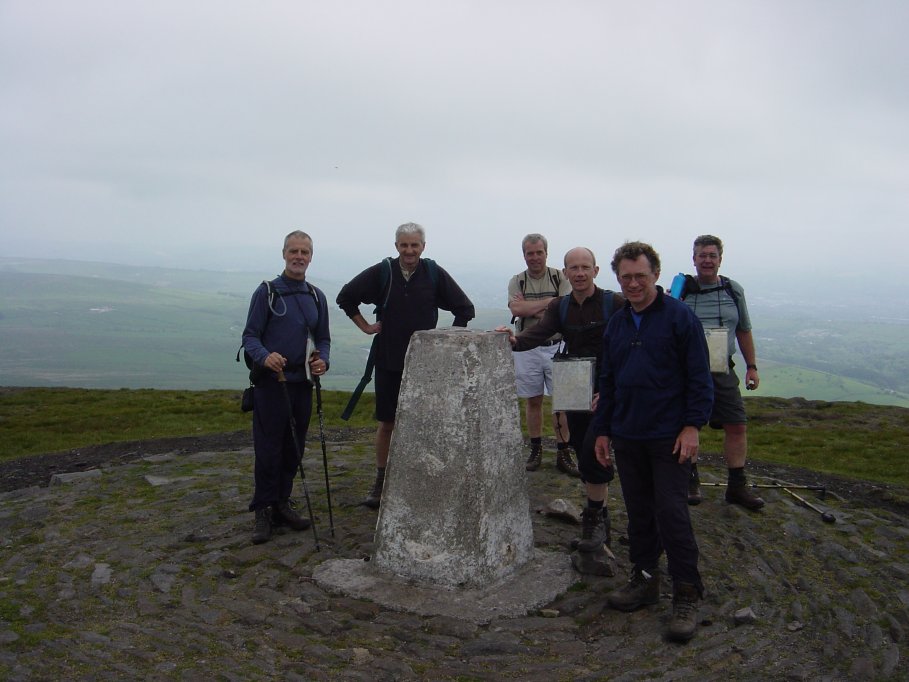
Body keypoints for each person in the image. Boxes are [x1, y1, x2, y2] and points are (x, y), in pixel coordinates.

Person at [594, 241, 713, 643]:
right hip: (628, 434)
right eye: (625, 277)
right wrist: (603, 430)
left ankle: (686, 592)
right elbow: (607, 382)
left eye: (639, 276)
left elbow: (700, 377)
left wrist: (693, 426)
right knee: (639, 512)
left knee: (671, 513)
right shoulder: (618, 323)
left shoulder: (680, 318)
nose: (632, 284)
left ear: (655, 275)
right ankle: (644, 581)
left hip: (669, 437)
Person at [337, 222, 475, 509]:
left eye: (414, 245)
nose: (409, 250)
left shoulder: (434, 273)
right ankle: (382, 481)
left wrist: (447, 340)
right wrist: (364, 326)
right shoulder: (384, 272)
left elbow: (465, 308)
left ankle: (421, 479)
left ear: (423, 247)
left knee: (425, 424)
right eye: (404, 245)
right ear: (396, 246)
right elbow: (346, 297)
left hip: (426, 366)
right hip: (388, 360)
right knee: (387, 423)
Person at [498, 247, 624, 554]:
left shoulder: (614, 303)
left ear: (595, 271)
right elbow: (540, 332)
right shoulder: (562, 306)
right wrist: (514, 341)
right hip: (574, 383)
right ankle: (600, 521)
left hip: (606, 387)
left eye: (585, 267)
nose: (579, 273)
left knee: (598, 451)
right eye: (573, 268)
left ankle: (596, 522)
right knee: (584, 450)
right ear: (565, 273)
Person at [241, 230, 331, 545]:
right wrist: (266, 357)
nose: (299, 256)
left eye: (304, 252)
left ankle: (281, 503)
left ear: (311, 256)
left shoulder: (316, 296)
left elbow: (323, 340)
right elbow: (250, 336)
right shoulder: (267, 292)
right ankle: (263, 509)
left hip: (302, 384)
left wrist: (324, 362)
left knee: (293, 448)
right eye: (293, 251)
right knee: (268, 449)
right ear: (283, 254)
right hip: (271, 385)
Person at [681, 235, 764, 511]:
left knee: (737, 424)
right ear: (693, 259)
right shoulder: (681, 289)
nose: (707, 260)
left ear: (720, 259)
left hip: (721, 367)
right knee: (687, 424)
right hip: (686, 370)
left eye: (712, 255)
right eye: (702, 255)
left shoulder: (733, 290)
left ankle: (737, 486)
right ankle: (690, 480)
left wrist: (751, 366)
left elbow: (743, 329)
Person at [506, 234, 577, 476]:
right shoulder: (517, 281)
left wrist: (532, 308)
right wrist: (551, 305)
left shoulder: (560, 276)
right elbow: (516, 309)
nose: (534, 257)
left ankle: (563, 451)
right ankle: (535, 448)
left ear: (546, 253)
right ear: (524, 254)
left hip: (557, 345)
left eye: (539, 252)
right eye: (530, 253)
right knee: (532, 399)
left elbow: (566, 307)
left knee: (562, 402)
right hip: (527, 347)